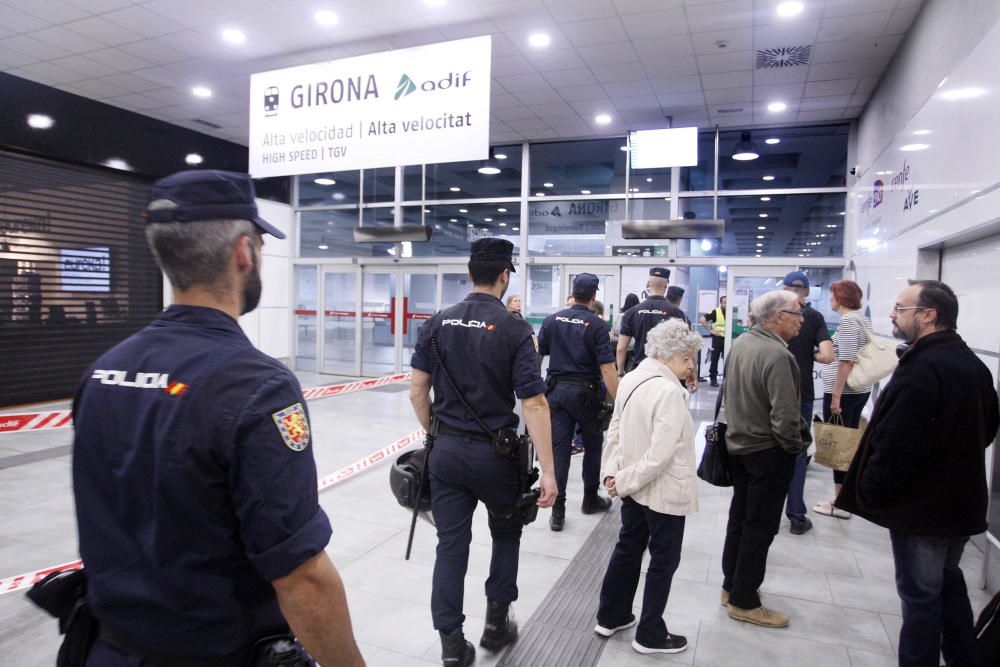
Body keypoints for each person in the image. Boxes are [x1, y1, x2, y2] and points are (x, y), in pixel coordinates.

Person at [72, 170, 365, 667]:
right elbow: (302, 577)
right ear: (244, 253)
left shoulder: (103, 371)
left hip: (107, 649)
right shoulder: (256, 386)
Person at [409, 238, 558, 667]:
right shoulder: (514, 329)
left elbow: (417, 388)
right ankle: (496, 624)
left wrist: (435, 434)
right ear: (505, 275)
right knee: (506, 534)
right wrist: (548, 471)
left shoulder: (437, 323)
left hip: (447, 454)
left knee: (450, 546)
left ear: (470, 274)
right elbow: (533, 403)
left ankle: (452, 645)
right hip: (498, 456)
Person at [837, 280, 999, 667]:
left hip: (924, 509)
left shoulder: (923, 368)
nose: (892, 314)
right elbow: (988, 428)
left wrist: (872, 490)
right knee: (946, 583)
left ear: (929, 315)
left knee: (921, 597)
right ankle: (965, 656)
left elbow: (897, 442)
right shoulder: (971, 364)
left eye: (901, 308)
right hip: (959, 502)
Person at [595, 320, 703, 655]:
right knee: (663, 560)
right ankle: (650, 634)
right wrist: (622, 480)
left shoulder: (631, 378)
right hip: (662, 492)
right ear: (669, 354)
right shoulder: (669, 392)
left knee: (628, 547)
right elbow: (660, 456)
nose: (691, 366)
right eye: (687, 359)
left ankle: (611, 615)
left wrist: (612, 474)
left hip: (632, 485)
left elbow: (614, 429)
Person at [721, 290, 807, 629]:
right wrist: (794, 447)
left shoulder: (742, 344)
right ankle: (745, 600)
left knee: (740, 520)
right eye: (797, 313)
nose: (802, 319)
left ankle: (731, 586)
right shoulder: (777, 356)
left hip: (738, 447)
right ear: (778, 317)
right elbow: (785, 417)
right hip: (767, 453)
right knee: (760, 527)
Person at [538, 273, 619, 531]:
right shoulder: (597, 325)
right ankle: (589, 499)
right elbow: (607, 368)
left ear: (572, 293)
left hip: (556, 394)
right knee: (593, 446)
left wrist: (537, 392)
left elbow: (537, 358)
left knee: (559, 450)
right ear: (594, 297)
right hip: (586, 394)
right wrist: (621, 402)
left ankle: (558, 512)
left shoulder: (551, 320)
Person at [812, 280, 873, 520]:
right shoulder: (861, 320)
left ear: (841, 297)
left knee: (840, 445)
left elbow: (846, 360)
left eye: (833, 295)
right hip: (858, 392)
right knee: (848, 444)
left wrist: (836, 396)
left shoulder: (848, 322)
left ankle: (842, 503)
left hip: (845, 394)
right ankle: (845, 497)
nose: (830, 300)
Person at [780, 272, 834, 535]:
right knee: (797, 455)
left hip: (771, 393)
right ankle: (797, 517)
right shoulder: (814, 317)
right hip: (801, 393)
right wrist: (808, 354)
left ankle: (764, 514)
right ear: (807, 292)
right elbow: (827, 356)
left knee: (768, 450)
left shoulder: (773, 312)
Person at [617, 268, 688, 377]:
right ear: (666, 286)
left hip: (640, 370)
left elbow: (621, 348)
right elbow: (685, 347)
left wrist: (620, 373)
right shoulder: (676, 313)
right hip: (666, 371)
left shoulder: (632, 312)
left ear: (648, 284)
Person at [699, 296, 727, 386]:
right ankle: (713, 379)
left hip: (728, 339)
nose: (726, 304)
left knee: (728, 360)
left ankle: (727, 379)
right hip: (718, 338)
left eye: (727, 302)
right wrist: (710, 330)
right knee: (715, 359)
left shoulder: (731, 312)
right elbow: (702, 320)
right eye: (724, 302)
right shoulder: (716, 311)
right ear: (721, 303)